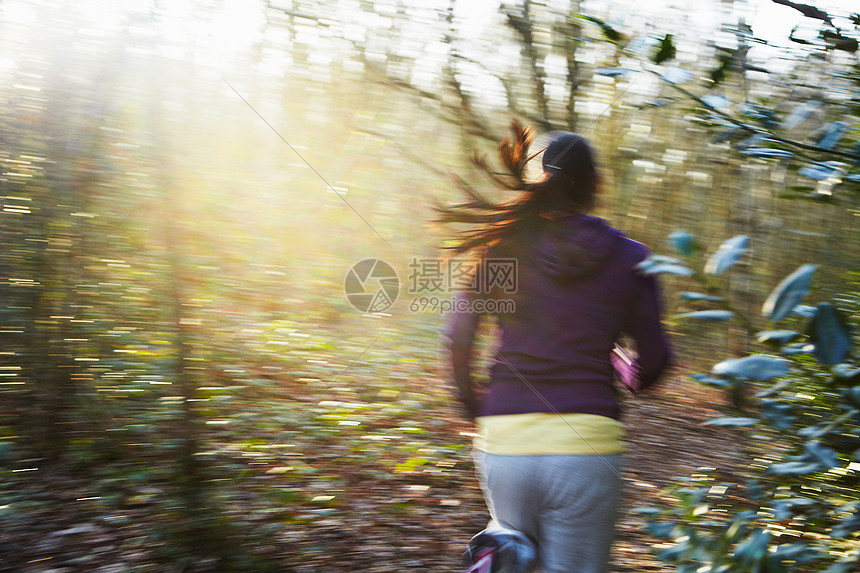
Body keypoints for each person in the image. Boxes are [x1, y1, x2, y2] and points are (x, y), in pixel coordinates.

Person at [439, 122, 672, 573]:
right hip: (585, 450)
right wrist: (620, 366)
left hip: (504, 444)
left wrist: (475, 411)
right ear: (596, 186)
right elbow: (655, 363)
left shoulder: (502, 251)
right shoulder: (631, 259)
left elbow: (457, 339)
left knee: (514, 563)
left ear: (538, 184)